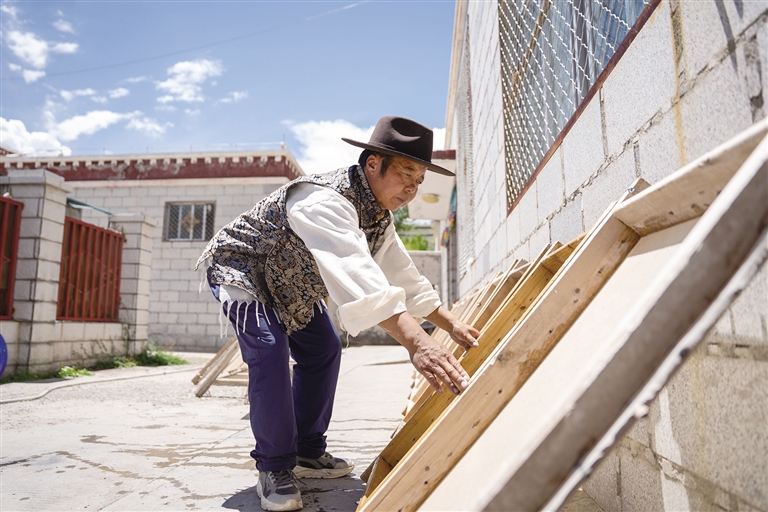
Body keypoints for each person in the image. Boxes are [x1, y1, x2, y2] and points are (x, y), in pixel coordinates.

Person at [196, 115, 480, 512]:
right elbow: (359, 276)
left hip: (291, 285)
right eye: (406, 174)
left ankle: (307, 451)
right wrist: (418, 343)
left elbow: (402, 274)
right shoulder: (324, 201)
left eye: (419, 181)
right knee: (269, 350)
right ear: (373, 164)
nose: (412, 189)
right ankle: (274, 467)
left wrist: (453, 325)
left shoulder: (377, 216)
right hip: (244, 271)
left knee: (323, 348)